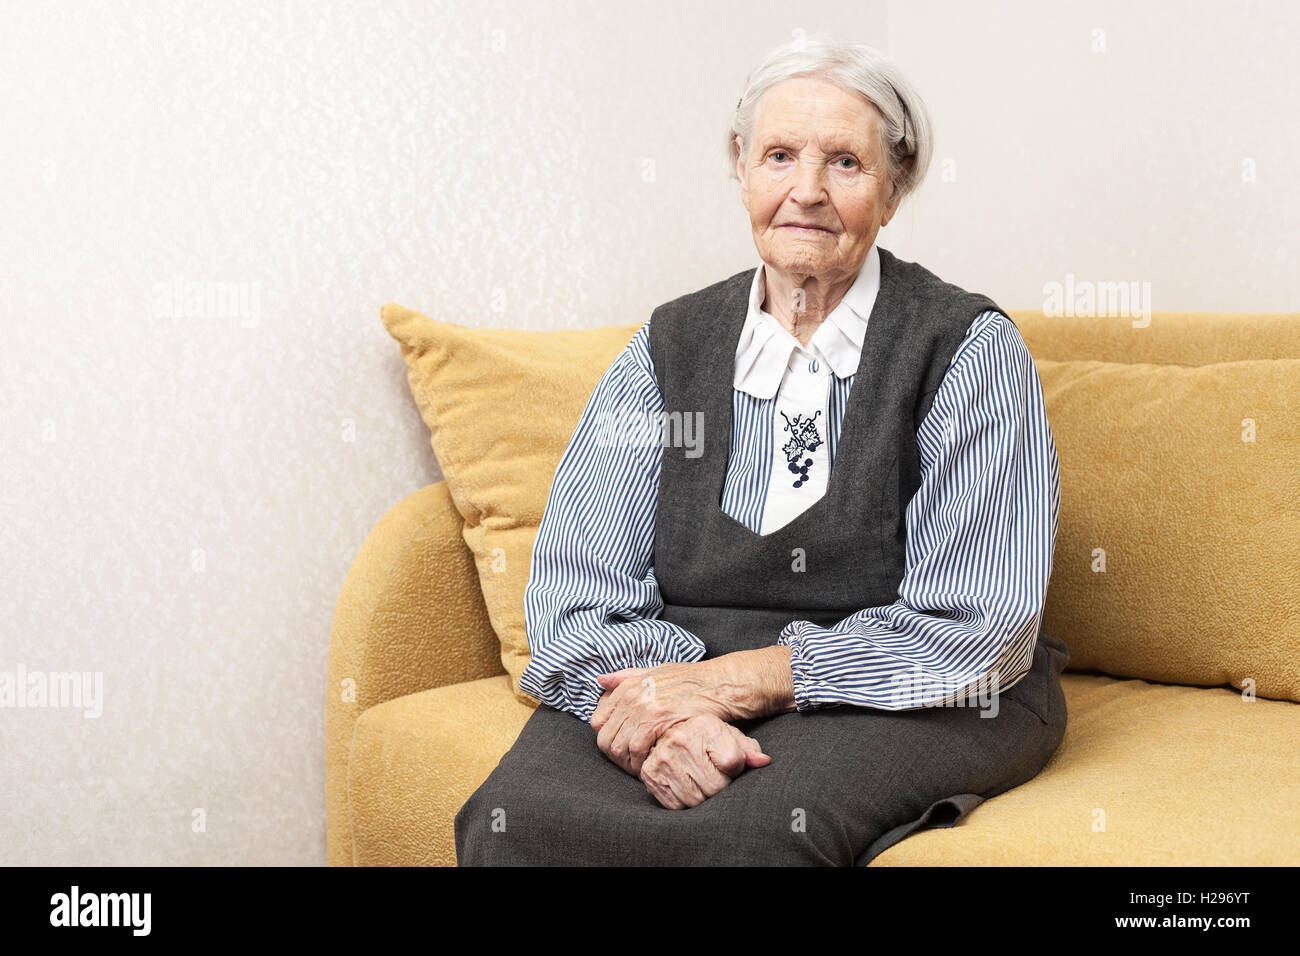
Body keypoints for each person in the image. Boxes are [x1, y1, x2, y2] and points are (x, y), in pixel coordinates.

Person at [454, 37, 1069, 866]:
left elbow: (977, 630)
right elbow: (576, 593)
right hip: (673, 671)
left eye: (846, 163)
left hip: (911, 691)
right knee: (512, 820)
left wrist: (738, 685)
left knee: (755, 838)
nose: (806, 192)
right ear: (741, 168)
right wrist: (674, 707)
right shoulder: (667, 349)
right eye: (779, 155)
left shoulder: (964, 350)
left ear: (894, 189)